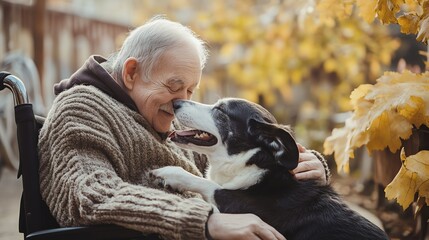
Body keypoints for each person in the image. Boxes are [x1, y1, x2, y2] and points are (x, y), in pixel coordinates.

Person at [38, 16, 331, 240]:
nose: (182, 104)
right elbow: (91, 195)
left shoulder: (158, 119)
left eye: (190, 91)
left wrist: (304, 165)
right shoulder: (81, 108)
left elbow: (236, 164)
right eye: (174, 87)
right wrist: (204, 220)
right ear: (131, 73)